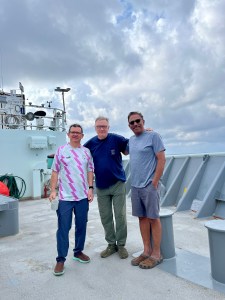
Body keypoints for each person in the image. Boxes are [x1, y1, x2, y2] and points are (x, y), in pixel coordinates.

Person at [49, 124, 94, 276]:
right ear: (68, 134)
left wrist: (90, 188)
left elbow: (90, 170)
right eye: (72, 132)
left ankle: (78, 252)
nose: (75, 135)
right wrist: (53, 190)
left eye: (78, 133)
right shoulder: (61, 150)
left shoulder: (86, 152)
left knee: (81, 225)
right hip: (65, 197)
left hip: (82, 197)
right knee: (63, 228)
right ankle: (60, 259)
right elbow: (55, 171)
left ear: (82, 135)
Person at [84, 117, 129, 259]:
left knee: (120, 216)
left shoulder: (116, 139)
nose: (102, 129)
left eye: (104, 126)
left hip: (117, 184)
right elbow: (78, 152)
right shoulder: (91, 143)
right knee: (106, 217)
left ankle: (121, 245)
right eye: (99, 126)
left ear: (108, 127)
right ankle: (111, 245)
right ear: (95, 128)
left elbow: (130, 146)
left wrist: (146, 133)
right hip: (101, 186)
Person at [128, 111, 166, 269]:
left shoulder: (154, 136)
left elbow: (161, 159)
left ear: (143, 121)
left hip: (149, 186)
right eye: (132, 122)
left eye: (138, 121)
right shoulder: (130, 140)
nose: (135, 124)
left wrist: (155, 182)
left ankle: (156, 254)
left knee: (153, 218)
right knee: (142, 218)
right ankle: (146, 251)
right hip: (135, 186)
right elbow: (123, 151)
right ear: (129, 126)